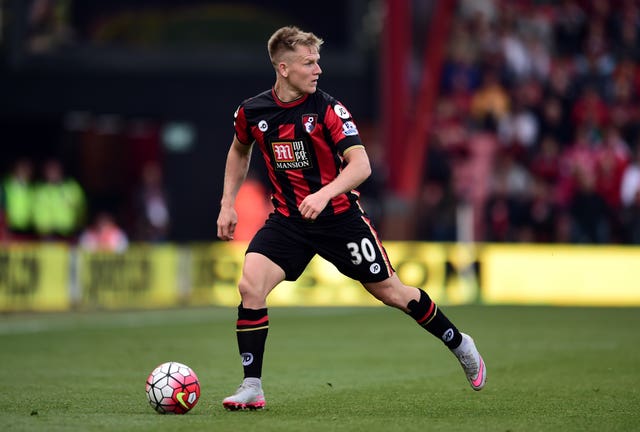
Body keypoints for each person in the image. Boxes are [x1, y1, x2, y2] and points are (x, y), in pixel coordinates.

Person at [216, 26, 487, 411]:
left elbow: (361, 165)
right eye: (309, 62)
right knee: (250, 286)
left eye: (318, 61)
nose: (318, 69)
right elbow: (239, 151)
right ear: (283, 68)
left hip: (340, 220)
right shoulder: (252, 112)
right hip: (289, 221)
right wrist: (228, 203)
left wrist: (324, 194)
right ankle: (252, 385)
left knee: (392, 293)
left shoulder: (328, 108)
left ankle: (460, 342)